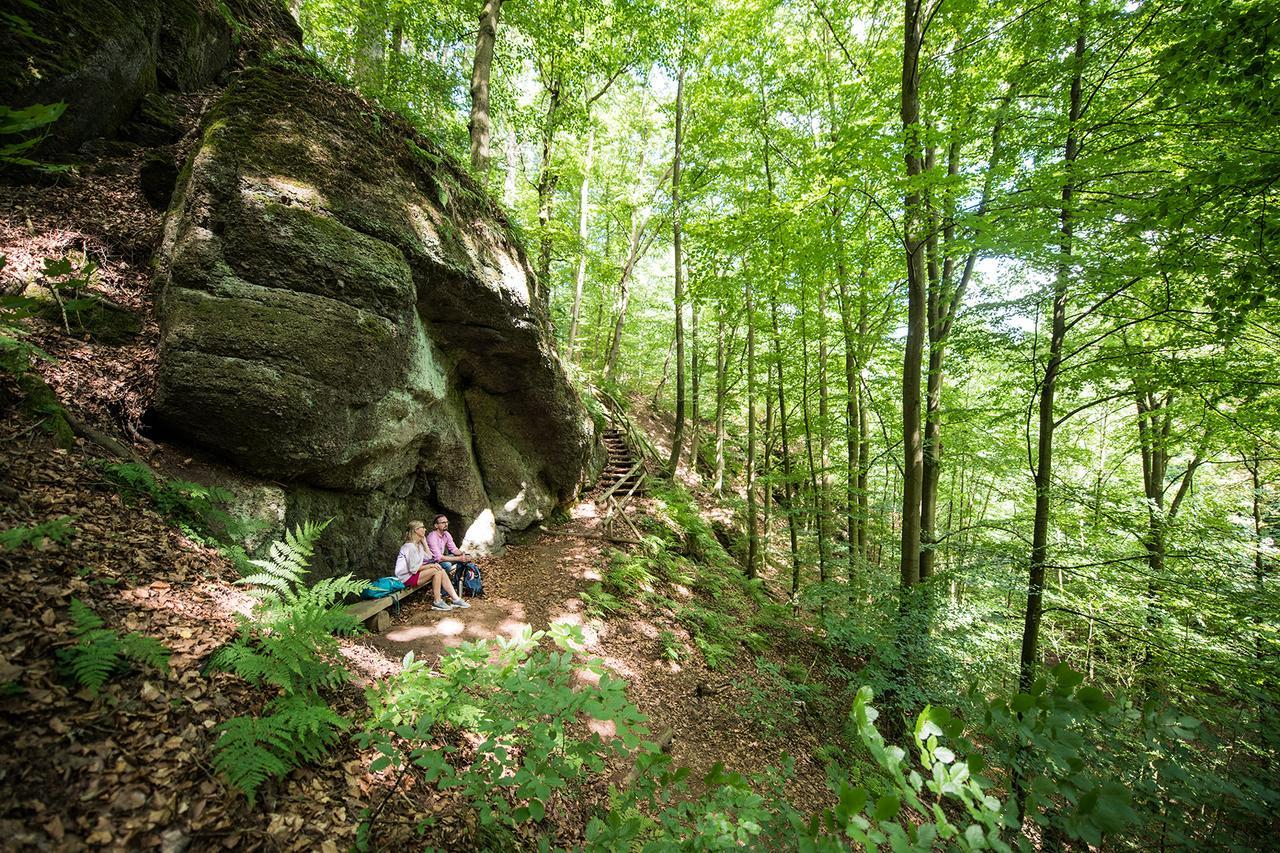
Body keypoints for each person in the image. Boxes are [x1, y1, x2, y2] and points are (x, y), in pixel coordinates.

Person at [394, 520, 470, 611]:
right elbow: (413, 569)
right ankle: (437, 601)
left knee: (440, 569)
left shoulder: (418, 545)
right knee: (436, 569)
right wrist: (431, 566)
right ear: (416, 530)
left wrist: (424, 542)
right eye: (422, 527)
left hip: (414, 574)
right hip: (405, 578)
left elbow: (429, 557)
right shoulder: (409, 547)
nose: (425, 529)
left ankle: (456, 599)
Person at [425, 514, 482, 596]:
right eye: (443, 522)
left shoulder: (446, 534)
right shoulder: (432, 537)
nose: (446, 524)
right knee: (447, 565)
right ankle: (443, 591)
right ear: (436, 525)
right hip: (431, 562)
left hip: (441, 559)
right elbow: (439, 558)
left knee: (462, 561)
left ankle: (456, 583)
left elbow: (454, 549)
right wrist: (458, 558)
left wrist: (464, 554)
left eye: (447, 522)